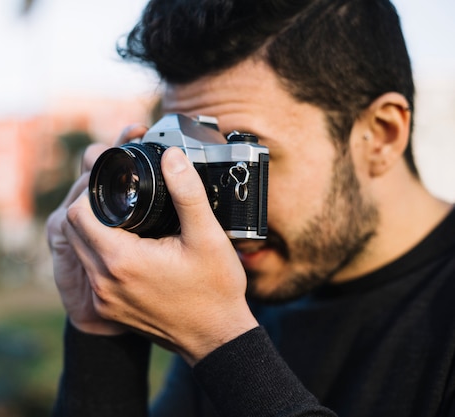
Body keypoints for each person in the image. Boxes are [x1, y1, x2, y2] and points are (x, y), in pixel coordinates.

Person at [46, 0, 455, 416]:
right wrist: (99, 333)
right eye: (190, 161)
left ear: (382, 135)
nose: (205, 208)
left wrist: (220, 343)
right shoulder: (236, 294)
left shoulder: (224, 318)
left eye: (239, 164)